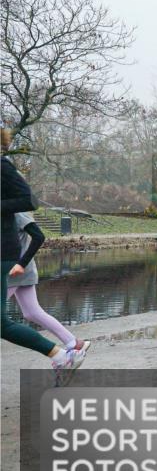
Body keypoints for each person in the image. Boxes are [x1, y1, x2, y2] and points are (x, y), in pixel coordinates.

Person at [1, 128, 86, 376]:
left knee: (5, 321)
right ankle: (67, 349)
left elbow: (28, 200)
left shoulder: (2, 166)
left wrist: (21, 262)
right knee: (29, 311)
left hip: (4, 254)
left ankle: (62, 353)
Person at [7, 212, 89, 353]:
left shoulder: (18, 214)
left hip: (16, 271)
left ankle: (57, 351)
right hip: (16, 271)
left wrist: (22, 263)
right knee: (32, 312)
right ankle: (74, 342)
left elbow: (39, 237)